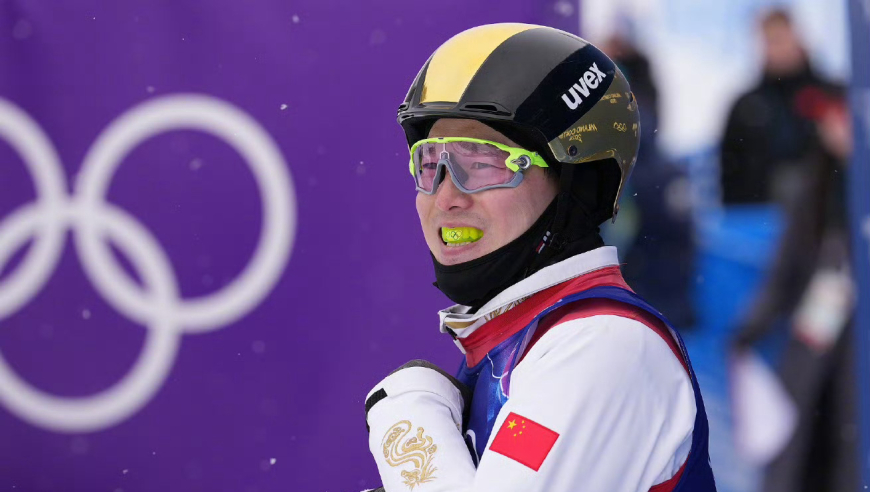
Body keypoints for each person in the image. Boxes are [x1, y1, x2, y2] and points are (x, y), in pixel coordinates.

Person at [362, 23, 716, 491]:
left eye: (481, 163)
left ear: (573, 184)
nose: (445, 197)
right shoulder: (518, 340)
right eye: (431, 165)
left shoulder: (602, 344)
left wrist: (409, 422)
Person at [719, 9, 845, 206]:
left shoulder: (832, 96)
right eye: (769, 41)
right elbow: (730, 176)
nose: (776, 49)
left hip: (826, 213)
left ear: (797, 38)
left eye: (780, 39)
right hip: (763, 215)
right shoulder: (745, 108)